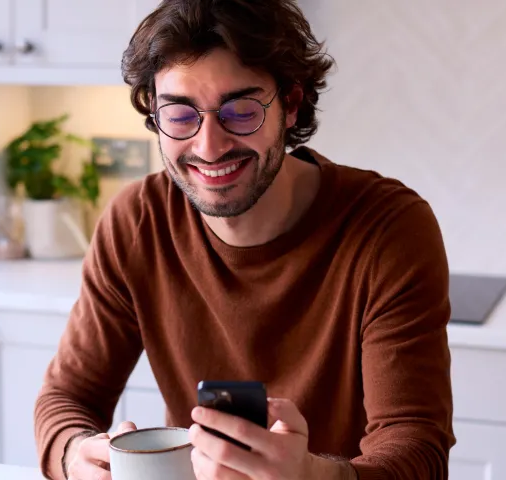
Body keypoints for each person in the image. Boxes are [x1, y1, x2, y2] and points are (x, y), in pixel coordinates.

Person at [33, 0, 455, 478]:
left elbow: (419, 451)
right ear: (154, 111)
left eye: (240, 110)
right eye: (180, 114)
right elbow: (67, 397)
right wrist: (74, 455)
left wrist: (311, 475)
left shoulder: (389, 229)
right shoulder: (137, 221)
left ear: (291, 105)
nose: (209, 146)